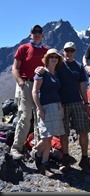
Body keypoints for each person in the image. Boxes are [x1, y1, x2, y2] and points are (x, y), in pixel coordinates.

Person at [35, 42, 90, 174]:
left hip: (77, 102)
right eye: (67, 50)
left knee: (83, 130)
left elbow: (82, 86)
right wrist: (38, 69)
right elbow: (46, 70)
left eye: (71, 50)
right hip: (61, 104)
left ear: (75, 52)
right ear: (63, 51)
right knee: (64, 132)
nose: (69, 52)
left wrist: (86, 102)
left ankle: (84, 158)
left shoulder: (78, 66)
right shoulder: (59, 65)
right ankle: (65, 159)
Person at [10, 24, 48, 160]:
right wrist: (20, 81)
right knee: (25, 116)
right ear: (30, 34)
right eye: (34, 31)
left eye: (39, 32)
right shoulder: (23, 48)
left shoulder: (46, 51)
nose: (37, 34)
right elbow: (15, 68)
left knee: (40, 117)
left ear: (42, 35)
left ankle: (37, 149)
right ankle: (16, 148)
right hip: (26, 84)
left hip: (41, 86)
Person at [32, 48, 65, 175]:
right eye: (51, 57)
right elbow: (34, 91)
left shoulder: (55, 73)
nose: (54, 59)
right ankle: (39, 156)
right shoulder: (41, 73)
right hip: (45, 107)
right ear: (47, 59)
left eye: (56, 57)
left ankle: (41, 159)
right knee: (46, 138)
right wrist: (39, 108)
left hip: (56, 106)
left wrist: (60, 105)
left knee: (49, 137)